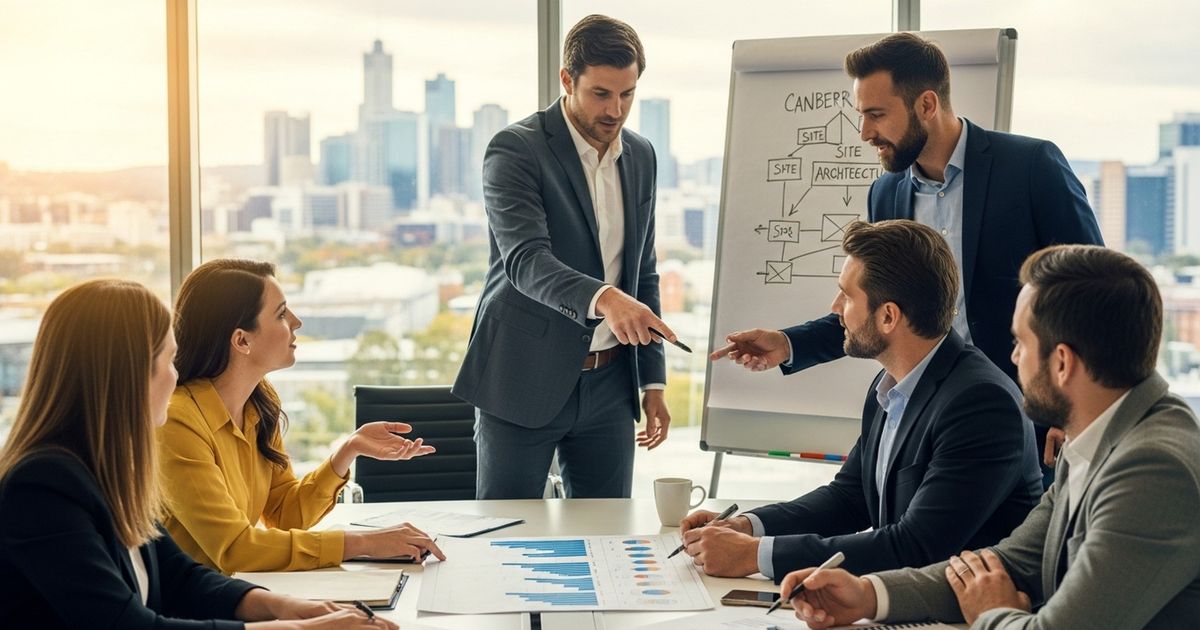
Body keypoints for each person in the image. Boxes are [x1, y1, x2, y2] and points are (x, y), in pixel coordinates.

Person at [710, 32, 1103, 480]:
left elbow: (1090, 291)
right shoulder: (886, 193)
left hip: (1031, 423)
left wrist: (1071, 406)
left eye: (877, 115)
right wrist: (788, 344)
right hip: (928, 423)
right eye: (862, 115)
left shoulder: (1030, 166)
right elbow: (880, 312)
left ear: (927, 104)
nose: (865, 133)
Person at [781, 245, 1200, 630]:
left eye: (1021, 343)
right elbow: (1007, 565)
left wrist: (990, 614)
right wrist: (868, 595)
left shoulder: (1152, 470)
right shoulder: (1098, 436)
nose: (1013, 357)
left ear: (1062, 363)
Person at [0, 279, 392, 629]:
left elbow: (179, 576)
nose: (176, 377)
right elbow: (126, 624)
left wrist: (288, 608)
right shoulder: (42, 487)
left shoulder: (108, 470)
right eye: (168, 360)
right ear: (127, 374)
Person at [681, 220, 1041, 580]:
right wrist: (747, 526)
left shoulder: (981, 404)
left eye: (847, 296)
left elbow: (916, 547)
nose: (835, 307)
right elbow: (850, 498)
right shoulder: (890, 387)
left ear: (888, 316)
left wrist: (754, 555)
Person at [453, 14, 674, 499]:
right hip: (521, 376)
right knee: (507, 532)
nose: (615, 110)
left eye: (628, 94)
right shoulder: (516, 149)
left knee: (608, 532)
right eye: (601, 93)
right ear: (567, 80)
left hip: (611, 385)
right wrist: (607, 299)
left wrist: (652, 381)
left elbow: (643, 270)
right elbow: (525, 261)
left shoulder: (641, 155)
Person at [158, 259, 445, 572]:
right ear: (242, 340)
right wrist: (363, 543)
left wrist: (348, 451)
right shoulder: (177, 422)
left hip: (234, 587)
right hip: (188, 598)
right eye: (281, 314)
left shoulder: (258, 404)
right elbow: (236, 548)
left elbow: (285, 515)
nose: (296, 322)